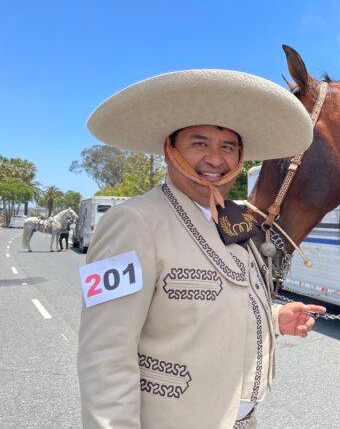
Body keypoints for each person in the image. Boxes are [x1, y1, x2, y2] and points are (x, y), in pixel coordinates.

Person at [78, 69, 326, 429]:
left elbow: (211, 312)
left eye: (228, 146)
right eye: (200, 143)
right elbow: (103, 354)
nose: (216, 158)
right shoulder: (130, 222)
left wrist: (274, 320)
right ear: (169, 149)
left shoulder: (233, 218)